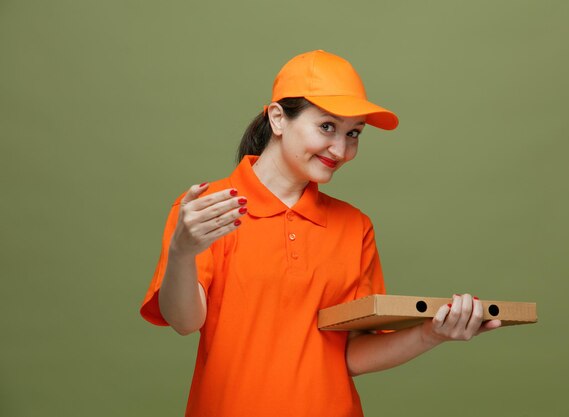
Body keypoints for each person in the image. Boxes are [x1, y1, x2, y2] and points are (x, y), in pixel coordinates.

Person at [140, 50, 501, 417]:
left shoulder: (354, 227)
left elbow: (348, 355)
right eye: (327, 126)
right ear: (278, 119)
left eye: (354, 133)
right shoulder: (207, 211)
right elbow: (185, 322)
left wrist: (432, 334)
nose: (341, 149)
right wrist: (182, 251)